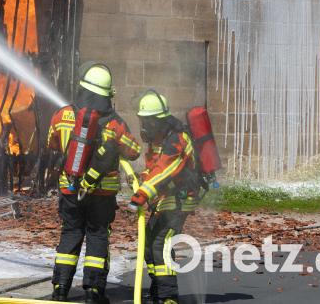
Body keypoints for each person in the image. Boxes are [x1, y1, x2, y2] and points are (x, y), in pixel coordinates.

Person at [47, 62, 142, 303]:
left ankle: (60, 289)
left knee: (70, 233)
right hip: (102, 194)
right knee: (98, 236)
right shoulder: (115, 123)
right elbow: (134, 151)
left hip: (70, 188)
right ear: (108, 94)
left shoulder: (63, 115)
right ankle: (93, 291)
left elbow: (52, 142)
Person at [127, 90, 204, 304]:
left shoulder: (178, 139)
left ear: (158, 120)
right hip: (167, 198)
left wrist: (142, 194)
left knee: (161, 243)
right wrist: (141, 179)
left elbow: (165, 170)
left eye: (147, 121)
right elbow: (154, 170)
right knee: (149, 243)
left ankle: (168, 297)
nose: (144, 126)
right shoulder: (160, 139)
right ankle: (158, 290)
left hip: (180, 199)